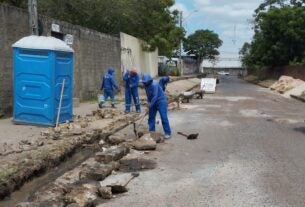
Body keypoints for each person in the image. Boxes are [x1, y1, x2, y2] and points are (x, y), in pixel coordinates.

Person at [142, 73, 171, 139]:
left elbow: (155, 96)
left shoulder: (154, 84)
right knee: (151, 117)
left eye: (146, 82)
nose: (145, 83)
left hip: (161, 101)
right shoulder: (146, 86)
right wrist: (148, 103)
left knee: (163, 117)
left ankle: (167, 133)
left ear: (149, 80)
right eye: (144, 82)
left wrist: (150, 105)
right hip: (152, 101)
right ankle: (152, 132)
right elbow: (148, 95)